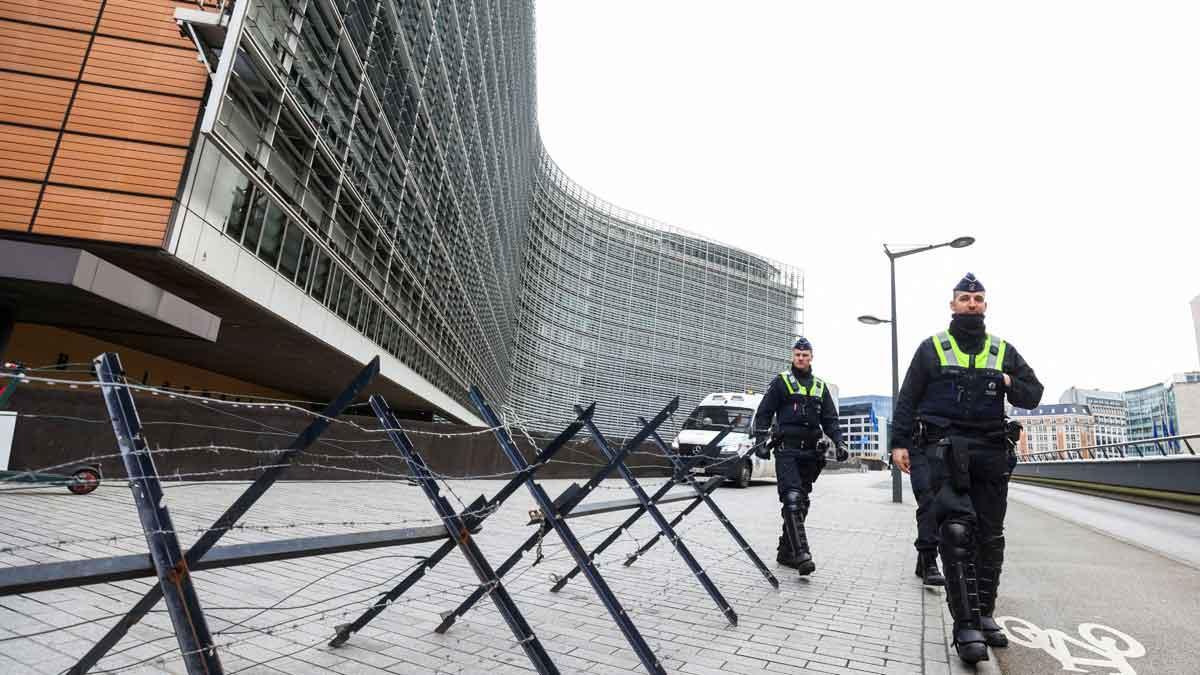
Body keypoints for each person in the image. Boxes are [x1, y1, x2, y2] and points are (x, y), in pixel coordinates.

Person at [890, 273, 1043, 663]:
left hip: (991, 451)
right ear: (952, 304)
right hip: (945, 450)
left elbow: (1033, 393)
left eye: (977, 298)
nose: (971, 304)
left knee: (990, 538)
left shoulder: (1001, 349)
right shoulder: (932, 348)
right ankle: (965, 626)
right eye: (964, 298)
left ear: (985, 305)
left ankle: (985, 614)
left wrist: (1009, 379)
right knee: (956, 532)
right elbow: (908, 397)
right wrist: (899, 443)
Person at [753, 337, 849, 576]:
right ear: (792, 356)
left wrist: (840, 442)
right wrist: (760, 442)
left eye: (805, 355)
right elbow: (763, 413)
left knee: (801, 503)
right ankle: (802, 554)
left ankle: (785, 552)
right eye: (797, 355)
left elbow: (830, 420)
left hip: (811, 454)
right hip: (787, 450)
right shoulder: (781, 382)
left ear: (811, 357)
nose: (801, 358)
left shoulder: (819, 386)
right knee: (792, 498)